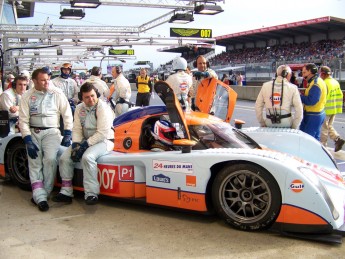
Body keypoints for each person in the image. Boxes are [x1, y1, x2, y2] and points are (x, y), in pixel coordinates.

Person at [18, 68, 73, 212]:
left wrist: (68, 132)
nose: (46, 82)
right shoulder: (27, 96)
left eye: (48, 79)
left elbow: (67, 113)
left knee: (50, 160)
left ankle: (45, 192)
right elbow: (23, 120)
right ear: (34, 81)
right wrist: (27, 139)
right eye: (43, 80)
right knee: (35, 162)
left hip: (52, 132)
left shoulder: (57, 93)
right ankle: (40, 197)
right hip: (33, 132)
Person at [52, 82, 115, 205]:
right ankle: (66, 191)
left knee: (88, 157)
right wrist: (76, 144)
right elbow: (76, 129)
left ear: (96, 94)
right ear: (82, 97)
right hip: (84, 140)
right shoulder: (79, 108)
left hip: (104, 140)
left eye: (92, 96)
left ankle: (91, 194)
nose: (90, 99)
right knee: (65, 158)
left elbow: (102, 133)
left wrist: (85, 145)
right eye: (87, 97)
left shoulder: (103, 108)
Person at [255, 65, 303, 129]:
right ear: (287, 74)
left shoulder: (265, 86)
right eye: (290, 75)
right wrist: (294, 126)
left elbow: (258, 106)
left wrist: (262, 123)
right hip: (286, 123)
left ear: (276, 74)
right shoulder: (293, 88)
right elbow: (299, 111)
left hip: (269, 123)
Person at [319, 66, 345, 152]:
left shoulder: (324, 83)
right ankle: (337, 139)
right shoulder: (335, 82)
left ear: (323, 74)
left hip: (326, 109)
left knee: (323, 128)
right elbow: (340, 95)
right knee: (328, 126)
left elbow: (322, 97)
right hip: (334, 108)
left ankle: (323, 147)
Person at [300, 63, 327, 141]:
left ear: (310, 72)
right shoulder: (316, 81)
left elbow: (311, 101)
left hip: (313, 114)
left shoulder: (315, 84)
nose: (303, 75)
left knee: (308, 140)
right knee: (315, 138)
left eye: (304, 72)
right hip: (317, 113)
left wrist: (299, 96)